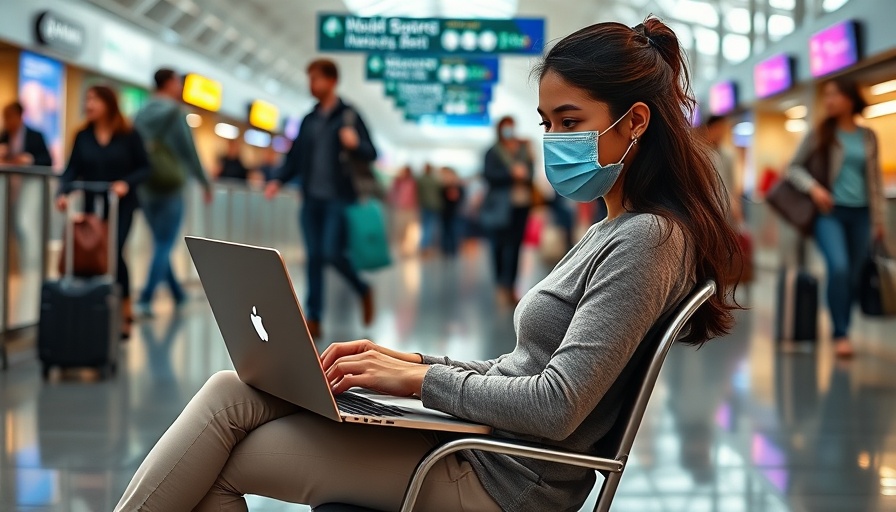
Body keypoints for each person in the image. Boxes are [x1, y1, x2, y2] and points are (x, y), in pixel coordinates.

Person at [115, 18, 739, 512]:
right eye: (547, 122)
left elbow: (556, 405)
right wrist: (412, 362)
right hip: (486, 447)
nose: (553, 139)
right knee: (231, 390)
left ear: (634, 122)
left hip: (500, 479)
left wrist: (414, 384)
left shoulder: (648, 239)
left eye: (570, 122)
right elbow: (524, 369)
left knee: (220, 457)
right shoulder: (614, 227)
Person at [263, 59, 376, 339]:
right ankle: (313, 317)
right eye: (310, 79)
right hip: (311, 199)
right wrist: (278, 179)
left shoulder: (349, 116)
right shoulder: (309, 118)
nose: (311, 85)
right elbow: (295, 157)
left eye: (316, 79)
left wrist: (355, 144)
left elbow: (371, 152)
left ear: (332, 81)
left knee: (331, 253)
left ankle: (362, 288)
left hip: (339, 199)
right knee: (313, 257)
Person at [785, 79, 887, 358]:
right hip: (829, 214)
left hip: (862, 214)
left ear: (850, 99)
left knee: (854, 274)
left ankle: (843, 322)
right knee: (839, 268)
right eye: (826, 95)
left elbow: (875, 180)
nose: (828, 100)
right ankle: (840, 332)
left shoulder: (868, 137)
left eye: (834, 95)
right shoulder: (820, 133)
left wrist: (879, 221)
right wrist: (815, 189)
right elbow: (792, 168)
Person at [56, 85, 150, 339]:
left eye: (94, 100)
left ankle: (125, 310)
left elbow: (145, 167)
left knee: (114, 251)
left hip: (122, 205)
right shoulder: (83, 135)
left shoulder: (129, 134)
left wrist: (125, 184)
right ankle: (94, 309)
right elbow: (71, 169)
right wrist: (62, 192)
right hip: (92, 207)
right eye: (87, 100)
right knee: (93, 254)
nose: (88, 105)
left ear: (109, 104)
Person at [133, 68, 213, 317]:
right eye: (177, 83)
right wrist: (204, 182)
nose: (179, 87)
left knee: (159, 241)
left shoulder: (140, 113)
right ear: (168, 84)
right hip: (171, 186)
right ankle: (146, 297)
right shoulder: (175, 112)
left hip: (146, 186)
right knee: (164, 243)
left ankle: (177, 293)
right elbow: (189, 150)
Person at [481, 116, 535, 304]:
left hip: (520, 205)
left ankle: (511, 285)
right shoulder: (493, 152)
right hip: (499, 207)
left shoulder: (522, 148)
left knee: (515, 247)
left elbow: (531, 173)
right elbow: (489, 176)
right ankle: (500, 284)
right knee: (498, 246)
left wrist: (526, 169)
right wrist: (510, 174)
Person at [704, 115, 743, 225]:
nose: (721, 132)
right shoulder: (702, 155)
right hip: (709, 209)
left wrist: (736, 204)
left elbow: (732, 182)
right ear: (710, 129)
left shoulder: (728, 155)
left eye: (723, 128)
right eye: (718, 128)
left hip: (727, 208)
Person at [0, 101, 52, 166]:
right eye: (5, 117)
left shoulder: (36, 136)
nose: (6, 121)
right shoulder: (3, 136)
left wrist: (31, 160)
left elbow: (47, 161)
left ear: (19, 116)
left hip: (29, 175)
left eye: (9, 116)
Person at [388, 165, 418, 257]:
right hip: (400, 208)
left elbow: (416, 195)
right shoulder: (397, 182)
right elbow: (391, 193)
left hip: (410, 208)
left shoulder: (413, 182)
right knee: (399, 229)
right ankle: (400, 248)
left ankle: (407, 249)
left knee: (409, 230)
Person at [416, 163, 443, 255]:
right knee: (431, 226)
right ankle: (428, 246)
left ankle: (424, 246)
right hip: (434, 205)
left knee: (425, 226)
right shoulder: (435, 180)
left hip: (424, 205)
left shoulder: (421, 179)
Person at [439, 166, 465, 257]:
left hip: (454, 211)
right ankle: (446, 249)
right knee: (446, 230)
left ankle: (453, 249)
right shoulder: (443, 186)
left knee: (453, 230)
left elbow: (461, 197)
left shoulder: (457, 185)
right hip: (445, 211)